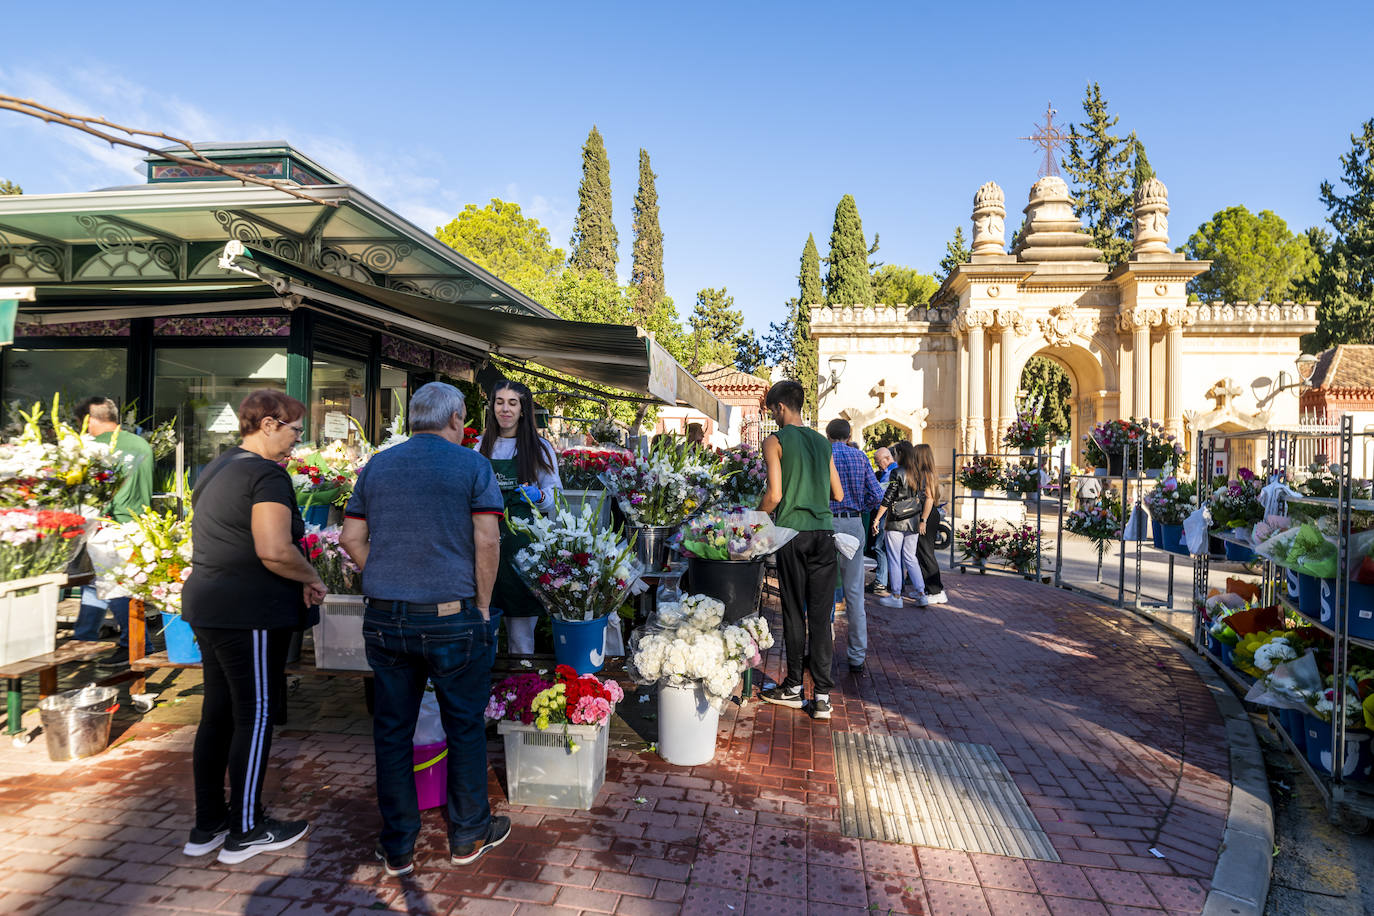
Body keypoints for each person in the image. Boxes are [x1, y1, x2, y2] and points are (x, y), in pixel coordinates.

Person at [341, 383, 507, 876]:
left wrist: (388, 575)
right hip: (452, 616)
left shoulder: (377, 466)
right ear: (456, 419)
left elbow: (351, 538)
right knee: (464, 724)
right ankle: (468, 834)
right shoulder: (472, 466)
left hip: (387, 617)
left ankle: (397, 845)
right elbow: (488, 542)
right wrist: (481, 605)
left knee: (392, 730)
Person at [181, 389, 325, 864]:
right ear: (267, 424)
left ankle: (208, 824)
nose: (296, 439)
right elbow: (274, 549)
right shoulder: (265, 475)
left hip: (209, 605)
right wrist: (312, 576)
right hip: (250, 612)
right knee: (255, 714)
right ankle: (245, 828)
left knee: (218, 713)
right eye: (293, 429)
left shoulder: (217, 467)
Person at [758, 380, 843, 719]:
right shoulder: (823, 443)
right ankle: (822, 697)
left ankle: (793, 686)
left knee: (794, 612)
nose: (773, 416)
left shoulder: (775, 441)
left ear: (779, 407)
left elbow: (775, 496)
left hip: (793, 533)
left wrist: (751, 517)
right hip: (825, 535)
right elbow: (837, 493)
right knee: (821, 618)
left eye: (772, 410)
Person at [476, 379, 562, 655]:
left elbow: (555, 498)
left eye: (513, 403)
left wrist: (538, 497)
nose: (505, 409)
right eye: (499, 402)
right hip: (482, 545)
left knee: (521, 638)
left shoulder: (540, 448)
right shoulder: (478, 446)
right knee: (481, 628)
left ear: (523, 410)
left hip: (523, 552)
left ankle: (520, 689)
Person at [71, 397, 155, 666]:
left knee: (115, 587)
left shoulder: (93, 447)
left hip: (109, 524)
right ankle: (84, 638)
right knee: (99, 583)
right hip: (138, 522)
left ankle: (136, 643)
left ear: (89, 419)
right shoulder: (141, 443)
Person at [825, 419, 883, 676]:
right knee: (855, 594)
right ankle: (857, 655)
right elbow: (876, 495)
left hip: (826, 524)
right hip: (853, 524)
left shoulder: (824, 454)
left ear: (828, 436)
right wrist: (861, 506)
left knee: (823, 590)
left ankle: (822, 650)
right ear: (849, 435)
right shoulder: (860, 458)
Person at [871, 441, 947, 608]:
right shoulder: (920, 474)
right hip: (913, 520)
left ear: (900, 454)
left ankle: (897, 595)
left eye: (896, 453)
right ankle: (921, 593)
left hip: (896, 521)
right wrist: (923, 520)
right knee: (911, 557)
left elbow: (888, 497)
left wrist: (877, 518)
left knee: (894, 558)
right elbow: (927, 497)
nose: (894, 456)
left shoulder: (897, 472)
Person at [869, 446, 896, 596]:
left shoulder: (890, 473)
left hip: (887, 514)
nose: (877, 465)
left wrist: (877, 518)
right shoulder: (896, 470)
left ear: (887, 458)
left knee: (880, 547)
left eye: (878, 461)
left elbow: (883, 497)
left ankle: (881, 582)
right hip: (896, 515)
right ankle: (895, 583)